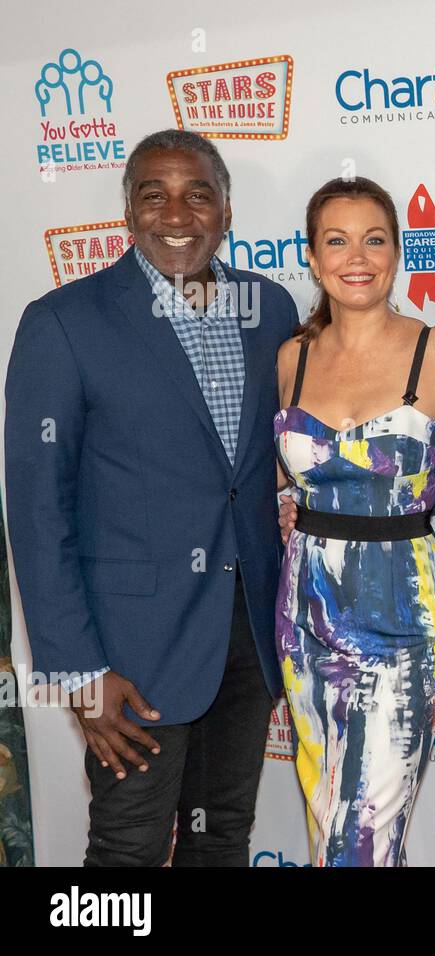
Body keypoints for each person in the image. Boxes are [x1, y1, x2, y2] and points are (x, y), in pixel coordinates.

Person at [5, 129, 299, 866]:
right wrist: (76, 669)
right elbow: (38, 512)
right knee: (128, 849)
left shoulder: (269, 310)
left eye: (198, 193)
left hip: (247, 640)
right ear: (128, 213)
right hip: (130, 654)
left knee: (222, 836)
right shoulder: (64, 322)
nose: (178, 212)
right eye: (154, 194)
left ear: (226, 211)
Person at [274, 176, 435, 867]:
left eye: (375, 239)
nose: (358, 256)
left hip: (404, 615)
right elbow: (274, 474)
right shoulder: (290, 359)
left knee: (363, 835)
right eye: (337, 241)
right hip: (304, 615)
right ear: (314, 258)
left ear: (398, 252)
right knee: (331, 824)